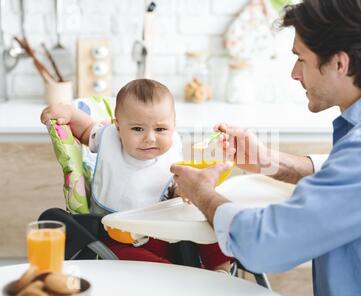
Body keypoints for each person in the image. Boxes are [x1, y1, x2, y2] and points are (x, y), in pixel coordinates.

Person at [170, 0, 361, 296]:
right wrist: (272, 162)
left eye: (300, 59)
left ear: (340, 64)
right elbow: (356, 179)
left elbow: (264, 244)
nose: (294, 73)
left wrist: (202, 192)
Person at [41, 79, 231, 272]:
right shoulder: (108, 138)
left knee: (206, 218)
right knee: (130, 259)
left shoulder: (171, 153)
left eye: (160, 129)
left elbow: (172, 191)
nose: (150, 137)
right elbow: (84, 129)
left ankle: (221, 270)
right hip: (118, 236)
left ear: (173, 127)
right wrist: (69, 112)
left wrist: (184, 191)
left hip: (164, 233)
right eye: (138, 129)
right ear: (118, 127)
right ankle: (176, 276)